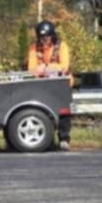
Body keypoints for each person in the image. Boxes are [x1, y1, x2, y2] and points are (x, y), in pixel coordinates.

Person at [26, 20, 72, 150]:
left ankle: (64, 139)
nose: (44, 40)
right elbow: (31, 69)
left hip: (62, 84)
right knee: (44, 112)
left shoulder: (61, 46)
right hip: (43, 85)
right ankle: (47, 140)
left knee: (63, 112)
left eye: (47, 37)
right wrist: (41, 70)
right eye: (41, 38)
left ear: (52, 35)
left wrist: (45, 67)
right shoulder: (34, 48)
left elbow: (64, 67)